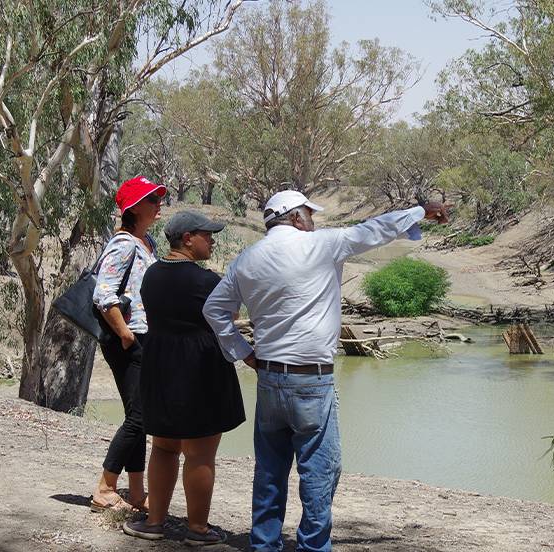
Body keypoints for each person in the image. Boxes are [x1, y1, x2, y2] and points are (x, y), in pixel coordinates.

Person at [202, 190, 449, 551]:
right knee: (319, 472)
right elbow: (376, 229)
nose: (314, 221)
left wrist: (244, 353)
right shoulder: (322, 244)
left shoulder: (246, 259)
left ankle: (264, 544)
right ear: (298, 218)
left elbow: (214, 310)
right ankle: (313, 546)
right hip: (312, 379)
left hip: (269, 377)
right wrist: (420, 212)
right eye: (310, 215)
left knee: (270, 471)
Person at [123, 211, 245, 546]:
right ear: (188, 238)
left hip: (160, 366)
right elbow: (230, 313)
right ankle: (198, 529)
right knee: (200, 454)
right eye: (207, 234)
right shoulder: (205, 281)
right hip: (201, 368)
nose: (213, 239)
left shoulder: (152, 275)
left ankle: (154, 521)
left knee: (163, 447)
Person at [89, 175, 166, 512]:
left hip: (143, 337)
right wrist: (125, 334)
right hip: (129, 339)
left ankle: (136, 493)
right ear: (134, 207)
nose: (158, 203)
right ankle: (105, 488)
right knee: (140, 416)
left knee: (139, 416)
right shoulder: (124, 243)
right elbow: (103, 294)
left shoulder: (147, 241)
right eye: (152, 199)